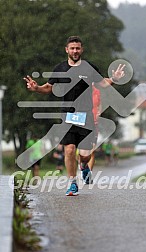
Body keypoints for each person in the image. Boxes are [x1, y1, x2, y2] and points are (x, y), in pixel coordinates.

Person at [24, 36, 125, 196]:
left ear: (81, 49)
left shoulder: (89, 68)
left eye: (77, 48)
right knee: (69, 149)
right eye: (72, 48)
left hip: (86, 116)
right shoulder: (60, 69)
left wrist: (114, 79)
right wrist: (36, 88)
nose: (75, 51)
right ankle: (72, 183)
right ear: (67, 50)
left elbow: (102, 84)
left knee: (85, 155)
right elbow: (49, 87)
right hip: (67, 115)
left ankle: (84, 167)